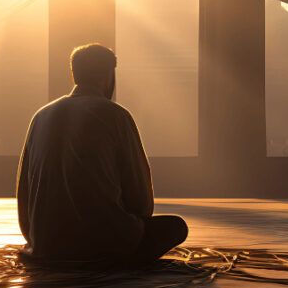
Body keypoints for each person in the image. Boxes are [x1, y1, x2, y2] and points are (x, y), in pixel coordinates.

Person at [16, 43, 188, 268]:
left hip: (46, 246)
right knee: (176, 227)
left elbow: (24, 196)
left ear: (74, 74)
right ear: (109, 76)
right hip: (105, 247)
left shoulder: (41, 116)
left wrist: (37, 238)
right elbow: (141, 201)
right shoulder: (116, 115)